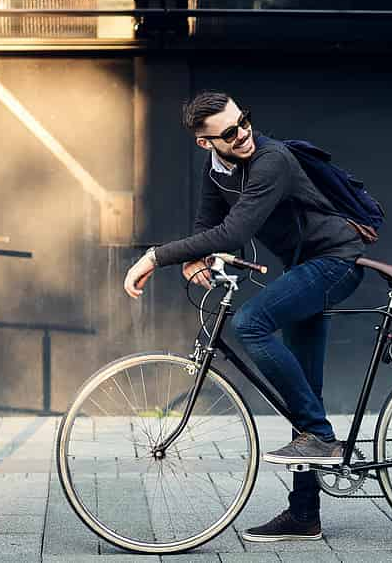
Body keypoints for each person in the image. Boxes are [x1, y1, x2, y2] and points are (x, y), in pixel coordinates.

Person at [122, 90, 367, 542]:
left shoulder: (271, 161)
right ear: (205, 143)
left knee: (250, 323)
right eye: (230, 133)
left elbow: (235, 231)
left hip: (336, 261)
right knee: (302, 391)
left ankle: (320, 436)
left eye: (245, 121)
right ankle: (304, 514)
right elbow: (208, 222)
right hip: (304, 267)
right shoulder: (216, 167)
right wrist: (196, 257)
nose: (244, 134)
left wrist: (156, 256)